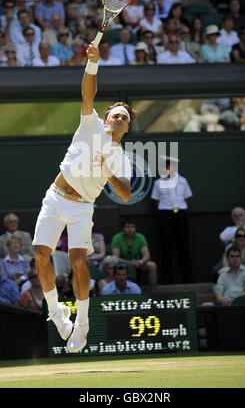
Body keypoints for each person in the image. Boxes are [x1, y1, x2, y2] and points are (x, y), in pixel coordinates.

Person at [32, 41, 137, 352]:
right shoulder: (89, 124)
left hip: (82, 208)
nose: (118, 119)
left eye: (124, 118)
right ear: (105, 120)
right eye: (115, 115)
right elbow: (88, 93)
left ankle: (83, 325)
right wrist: (92, 63)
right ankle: (57, 314)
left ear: (127, 129)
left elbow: (126, 194)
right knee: (40, 254)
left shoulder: (122, 158)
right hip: (55, 198)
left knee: (78, 260)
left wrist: (107, 170)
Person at [151, 156, 194, 284]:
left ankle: (188, 279)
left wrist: (177, 209)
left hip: (180, 215)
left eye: (172, 166)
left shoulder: (183, 181)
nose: (170, 169)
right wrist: (168, 209)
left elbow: (187, 198)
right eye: (167, 166)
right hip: (166, 216)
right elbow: (157, 201)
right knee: (166, 248)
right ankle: (167, 280)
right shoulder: (158, 183)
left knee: (183, 248)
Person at [111, 219, 157, 293]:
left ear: (135, 228)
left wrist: (140, 262)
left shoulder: (140, 237)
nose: (130, 229)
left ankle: (153, 292)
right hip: (122, 264)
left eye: (132, 227)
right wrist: (129, 262)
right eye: (127, 227)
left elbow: (147, 255)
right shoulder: (117, 238)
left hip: (137, 263)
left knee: (152, 265)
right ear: (123, 229)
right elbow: (115, 257)